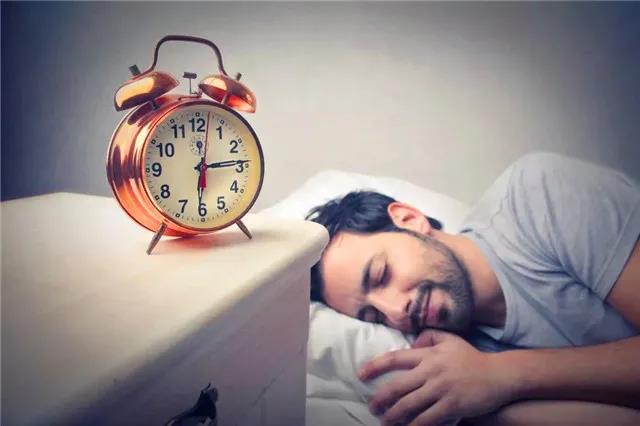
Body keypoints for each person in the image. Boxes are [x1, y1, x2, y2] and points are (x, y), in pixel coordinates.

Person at [305, 152, 640, 425]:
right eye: (373, 316)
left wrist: (505, 373)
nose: (395, 312)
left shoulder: (536, 197)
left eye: (381, 275)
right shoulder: (459, 363)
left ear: (409, 219)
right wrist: (478, 403)